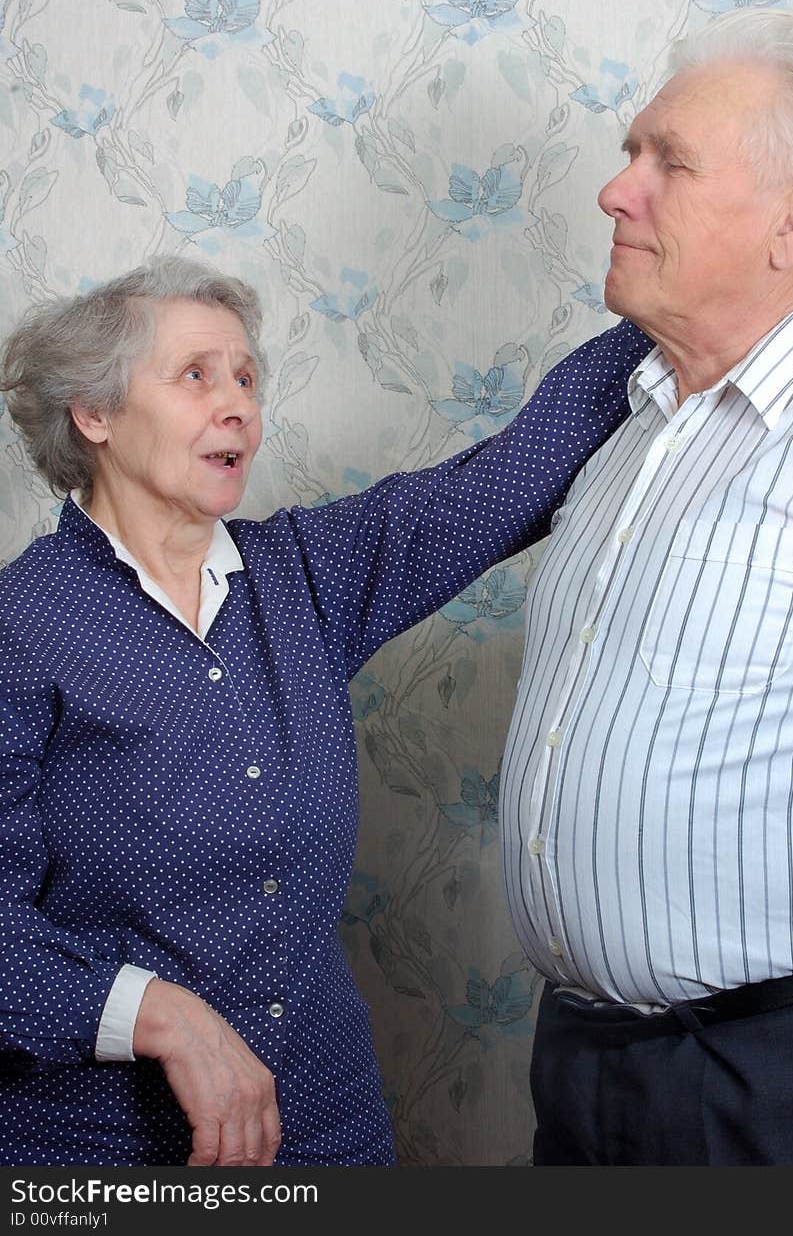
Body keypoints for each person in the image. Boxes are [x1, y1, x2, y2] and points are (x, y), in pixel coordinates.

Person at [0, 256, 649, 1166]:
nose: (238, 405)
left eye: (247, 378)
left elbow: (506, 476)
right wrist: (160, 1016)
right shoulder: (21, 625)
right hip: (100, 1148)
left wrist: (675, 298)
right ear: (94, 414)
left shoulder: (304, 575)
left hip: (328, 1130)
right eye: (196, 376)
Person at [499, 6, 793, 1165]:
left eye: (668, 162)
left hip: (792, 1077)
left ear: (792, 218)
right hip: (582, 1061)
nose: (617, 192)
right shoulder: (627, 428)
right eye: (628, 156)